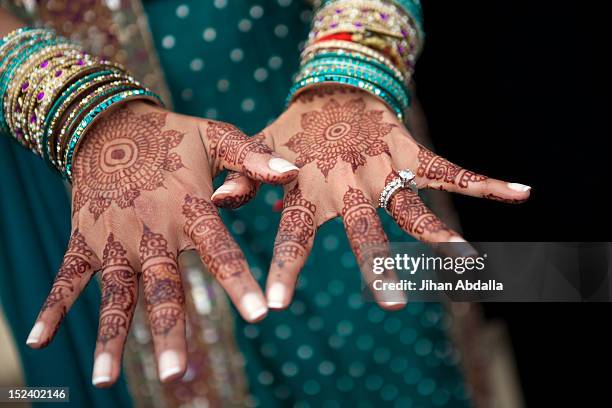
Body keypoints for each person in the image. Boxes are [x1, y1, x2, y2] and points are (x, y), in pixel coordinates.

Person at [0, 1, 530, 407]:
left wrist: (355, 62)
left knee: (386, 342)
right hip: (71, 160)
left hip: (290, 74)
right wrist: (72, 106)